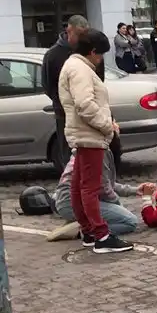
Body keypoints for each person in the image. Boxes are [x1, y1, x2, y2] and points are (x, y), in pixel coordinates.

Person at [58, 29, 133, 254]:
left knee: (79, 185)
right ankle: (101, 235)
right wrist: (106, 125)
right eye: (100, 55)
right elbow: (85, 104)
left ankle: (89, 231)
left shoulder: (74, 66)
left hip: (83, 133)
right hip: (89, 134)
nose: (100, 59)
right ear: (92, 52)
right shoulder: (80, 69)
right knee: (88, 187)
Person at [46, 149, 147, 241]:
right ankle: (84, 229)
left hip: (62, 200)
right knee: (129, 221)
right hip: (70, 203)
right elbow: (104, 189)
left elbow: (104, 182)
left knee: (117, 213)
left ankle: (84, 222)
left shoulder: (84, 147)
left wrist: (133, 190)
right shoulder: (98, 150)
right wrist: (118, 206)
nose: (117, 129)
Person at [42, 14, 90, 167]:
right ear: (69, 31)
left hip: (87, 112)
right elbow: (48, 85)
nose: (83, 38)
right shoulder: (53, 55)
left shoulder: (88, 51)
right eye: (80, 35)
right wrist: (63, 101)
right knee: (69, 157)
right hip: (65, 113)